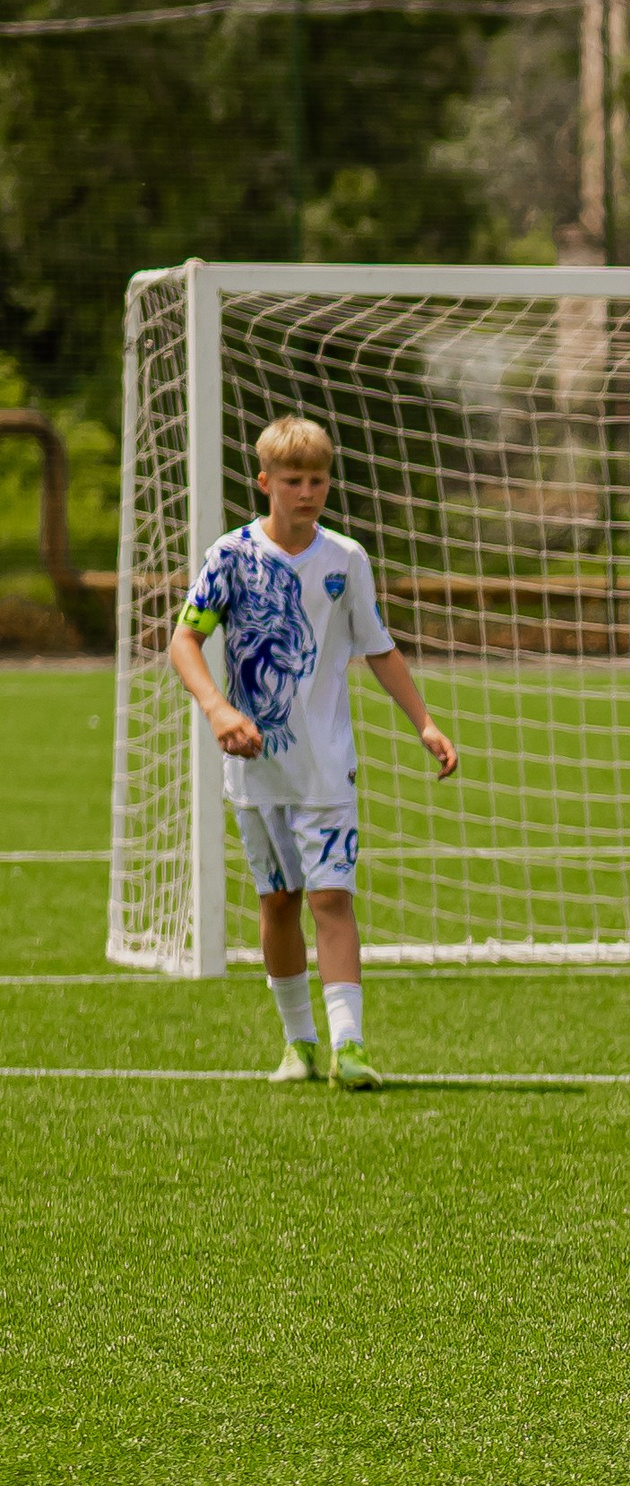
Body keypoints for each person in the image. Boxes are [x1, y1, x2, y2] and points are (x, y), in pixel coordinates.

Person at [167, 415, 461, 1090]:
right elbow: (185, 641)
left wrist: (425, 722)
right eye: (293, 480)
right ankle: (298, 1042)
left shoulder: (346, 559)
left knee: (333, 897)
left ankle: (349, 1046)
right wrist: (218, 707)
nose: (307, 492)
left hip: (328, 765)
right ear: (265, 482)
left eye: (318, 479)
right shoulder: (230, 557)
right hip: (256, 768)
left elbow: (377, 646)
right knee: (278, 903)